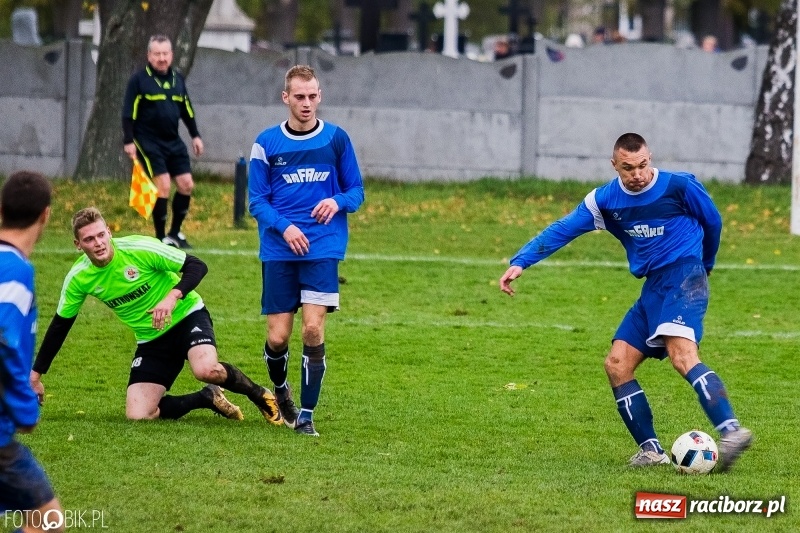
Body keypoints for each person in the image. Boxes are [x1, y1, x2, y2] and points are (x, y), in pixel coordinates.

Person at [499, 133, 752, 471]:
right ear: (614, 165)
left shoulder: (680, 186)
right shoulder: (604, 201)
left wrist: (705, 264)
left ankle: (731, 431)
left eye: (643, 165)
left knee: (682, 356)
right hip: (653, 289)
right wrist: (522, 260)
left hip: (684, 278)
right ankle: (651, 451)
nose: (638, 174)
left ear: (650, 158)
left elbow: (713, 222)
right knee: (617, 364)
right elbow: (564, 229)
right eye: (628, 168)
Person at [30, 207, 282, 426]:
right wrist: (36, 375)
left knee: (205, 368)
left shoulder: (139, 248)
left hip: (187, 316)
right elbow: (60, 325)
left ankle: (259, 395)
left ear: (109, 231)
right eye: (88, 239)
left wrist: (172, 297)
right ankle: (206, 398)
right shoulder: (79, 278)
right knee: (139, 415)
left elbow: (197, 266)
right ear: (78, 244)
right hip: (151, 339)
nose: (98, 243)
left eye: (101, 234)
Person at [248, 65, 365, 437]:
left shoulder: (336, 140)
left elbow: (356, 192)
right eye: (299, 96)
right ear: (286, 98)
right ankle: (281, 390)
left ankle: (307, 416)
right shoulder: (266, 143)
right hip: (279, 250)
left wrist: (336, 201)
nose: (307, 103)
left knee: (312, 330)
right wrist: (285, 226)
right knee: (278, 337)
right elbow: (256, 201)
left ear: (320, 95)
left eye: (313, 96)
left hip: (323, 248)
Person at [0, 171, 64, 533]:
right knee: (49, 521)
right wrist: (24, 407)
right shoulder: (12, 271)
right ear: (46, 215)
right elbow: (3, 341)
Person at [122, 34, 204, 249]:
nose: (161, 58)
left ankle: (175, 233)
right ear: (149, 55)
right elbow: (128, 113)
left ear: (171, 55)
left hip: (173, 141)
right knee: (164, 185)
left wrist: (195, 135)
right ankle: (160, 238)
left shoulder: (178, 79)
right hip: (147, 141)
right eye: (157, 54)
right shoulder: (139, 80)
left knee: (186, 184)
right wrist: (128, 140)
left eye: (165, 53)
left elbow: (187, 110)